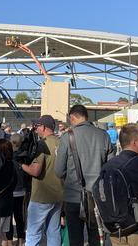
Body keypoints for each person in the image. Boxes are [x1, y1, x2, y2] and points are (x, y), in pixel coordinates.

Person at [54, 104, 115, 246]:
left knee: (75, 238)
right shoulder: (104, 136)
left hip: (73, 196)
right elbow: (110, 169)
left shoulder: (66, 137)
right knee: (96, 236)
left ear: (72, 117)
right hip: (97, 197)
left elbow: (58, 170)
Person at [21, 115, 64, 246]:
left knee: (33, 232)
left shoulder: (42, 144)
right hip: (59, 194)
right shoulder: (61, 143)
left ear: (44, 127)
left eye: (37, 126)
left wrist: (21, 164)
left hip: (41, 196)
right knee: (53, 231)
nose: (36, 129)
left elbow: (35, 171)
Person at [7, 133, 27, 246]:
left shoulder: (7, 156)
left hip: (10, 190)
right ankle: (21, 241)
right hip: (21, 190)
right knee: (19, 217)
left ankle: (9, 241)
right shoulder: (24, 156)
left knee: (8, 217)